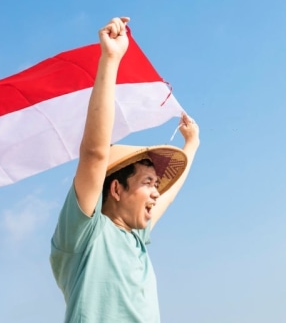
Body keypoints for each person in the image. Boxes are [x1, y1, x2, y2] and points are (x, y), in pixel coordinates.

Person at [49, 16, 200, 322]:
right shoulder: (85, 234)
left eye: (156, 184)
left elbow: (168, 198)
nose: (157, 193)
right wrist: (111, 59)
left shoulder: (136, 239)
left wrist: (192, 146)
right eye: (148, 182)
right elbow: (93, 153)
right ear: (116, 189)